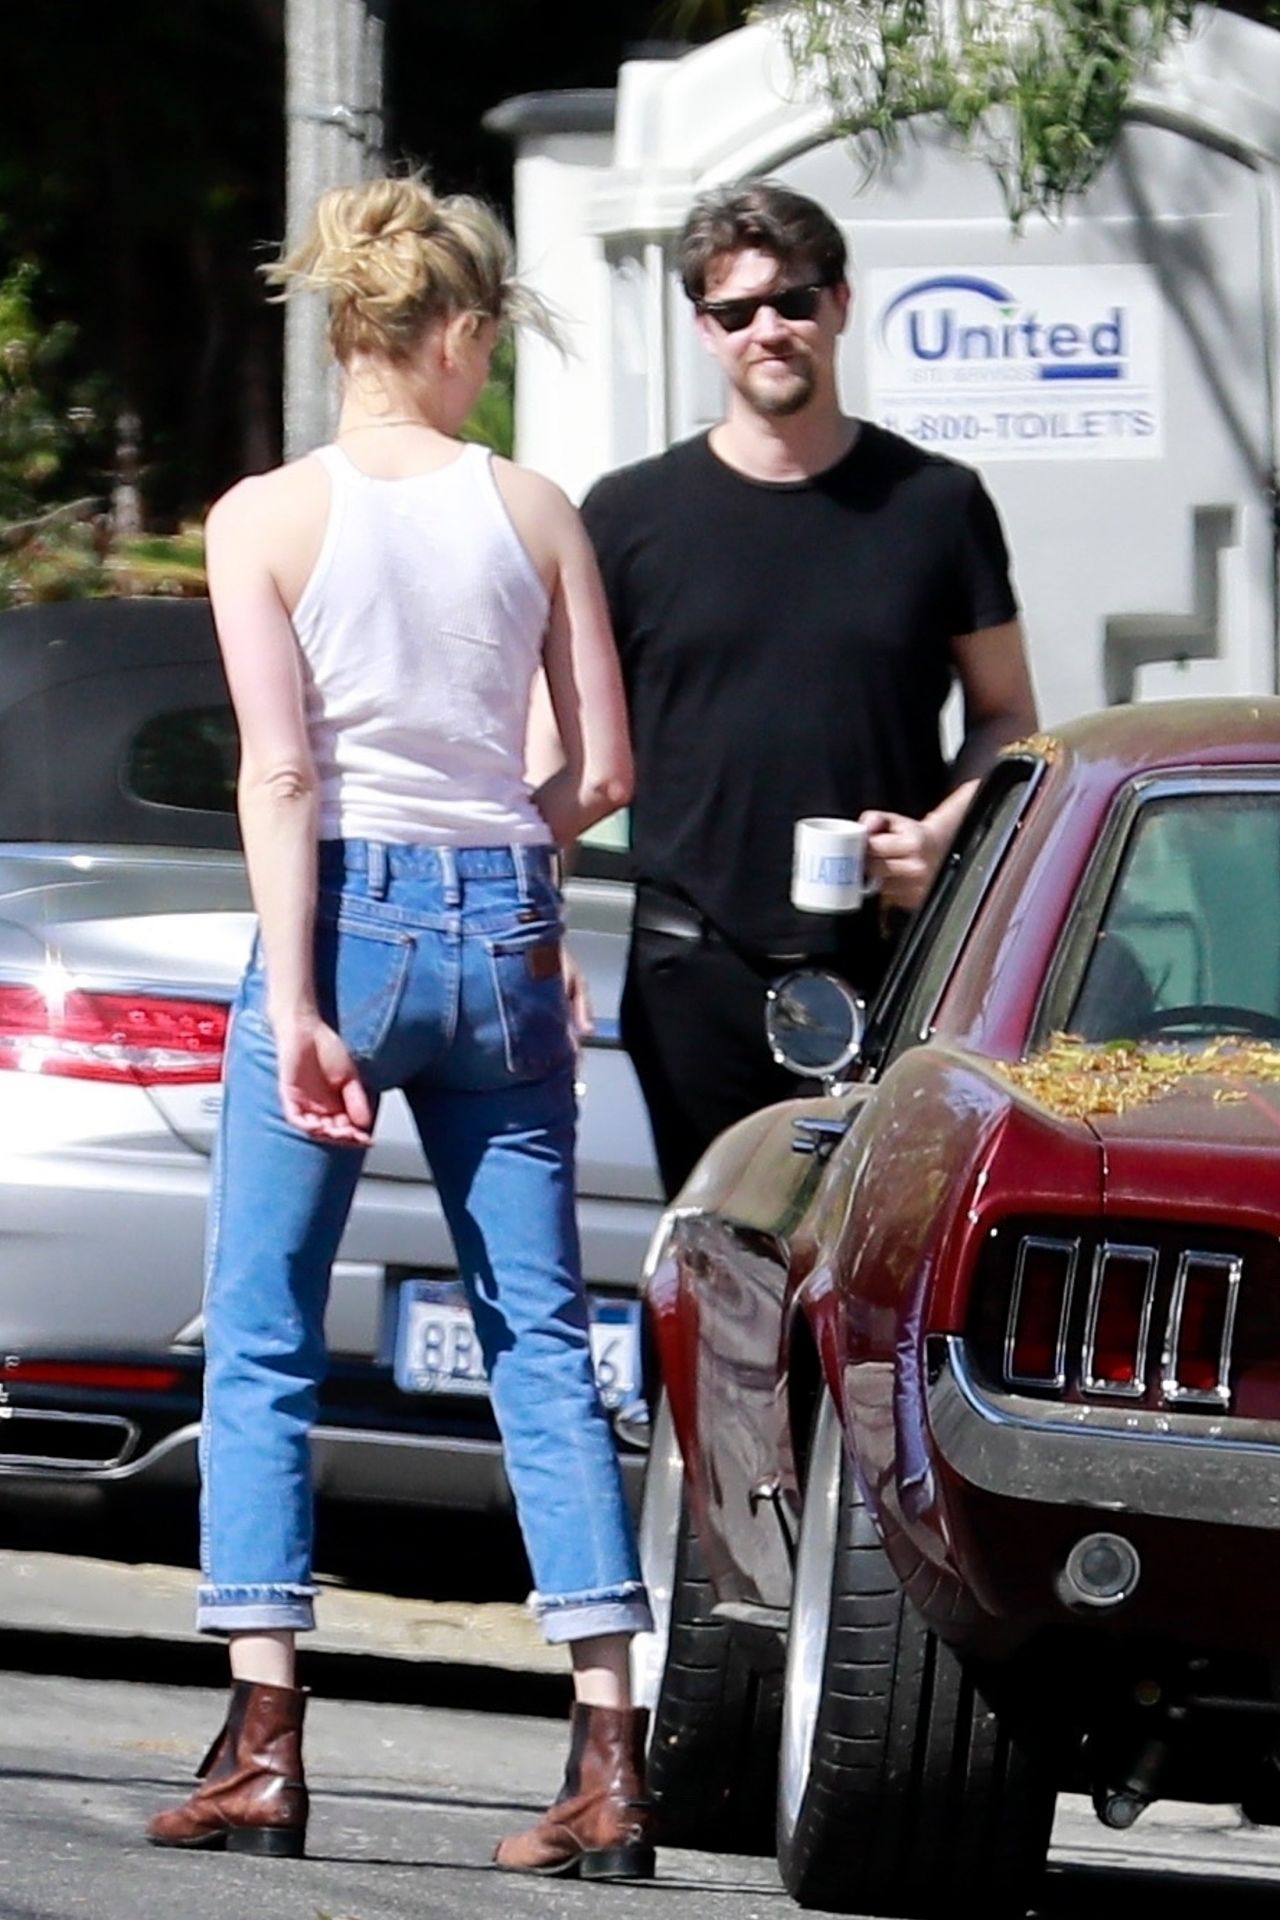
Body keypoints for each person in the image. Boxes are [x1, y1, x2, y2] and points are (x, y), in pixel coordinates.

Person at [145, 176, 655, 1881]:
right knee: (540, 1341)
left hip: (344, 916)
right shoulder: (537, 510)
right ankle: (608, 1761)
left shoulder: (260, 518)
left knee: (269, 1330)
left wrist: (296, 998)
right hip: (504, 918)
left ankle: (265, 1745)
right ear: (457, 334)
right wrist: (517, 877)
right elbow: (602, 770)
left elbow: (281, 772)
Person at [575, 181, 1039, 1198]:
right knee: (707, 1269)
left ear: (838, 303)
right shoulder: (627, 519)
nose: (768, 329)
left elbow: (1006, 714)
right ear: (704, 330)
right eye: (736, 311)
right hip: (691, 968)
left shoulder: (934, 504)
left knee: (870, 1273)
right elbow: (563, 736)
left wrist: (944, 843)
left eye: (791, 300)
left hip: (891, 964)